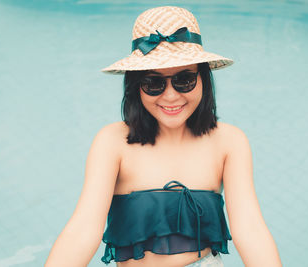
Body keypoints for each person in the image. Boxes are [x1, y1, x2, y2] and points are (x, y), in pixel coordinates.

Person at [45, 6, 282, 267]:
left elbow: (250, 230)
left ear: (203, 78)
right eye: (153, 83)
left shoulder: (229, 141)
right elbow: (83, 229)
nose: (170, 96)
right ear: (136, 87)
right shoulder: (113, 141)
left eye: (184, 80)